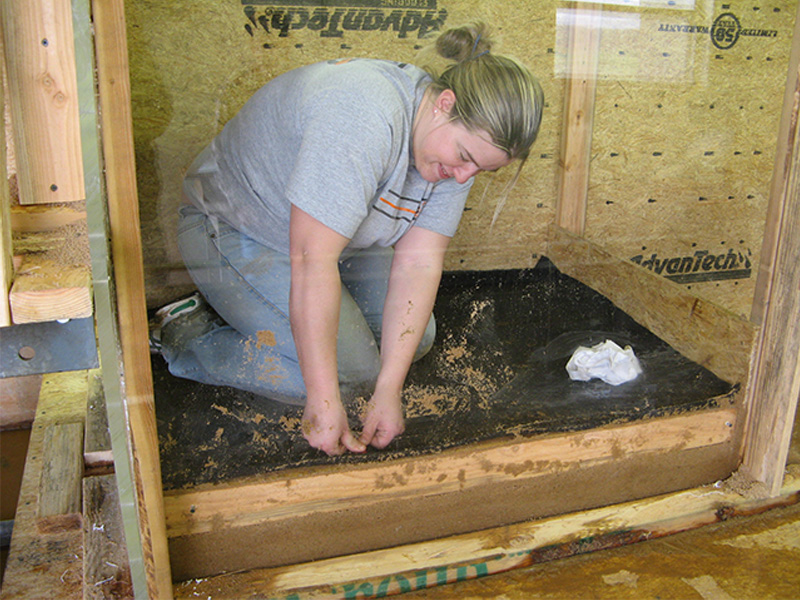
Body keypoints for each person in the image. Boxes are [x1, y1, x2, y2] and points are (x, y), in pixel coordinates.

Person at [151, 22, 544, 457]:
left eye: (483, 170)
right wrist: (323, 401)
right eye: (465, 157)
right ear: (444, 104)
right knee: (350, 375)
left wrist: (390, 390)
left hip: (336, 241)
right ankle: (186, 337)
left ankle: (258, 314)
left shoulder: (455, 151)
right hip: (235, 228)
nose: (465, 177)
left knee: (414, 342)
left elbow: (418, 263)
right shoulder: (363, 115)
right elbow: (311, 260)